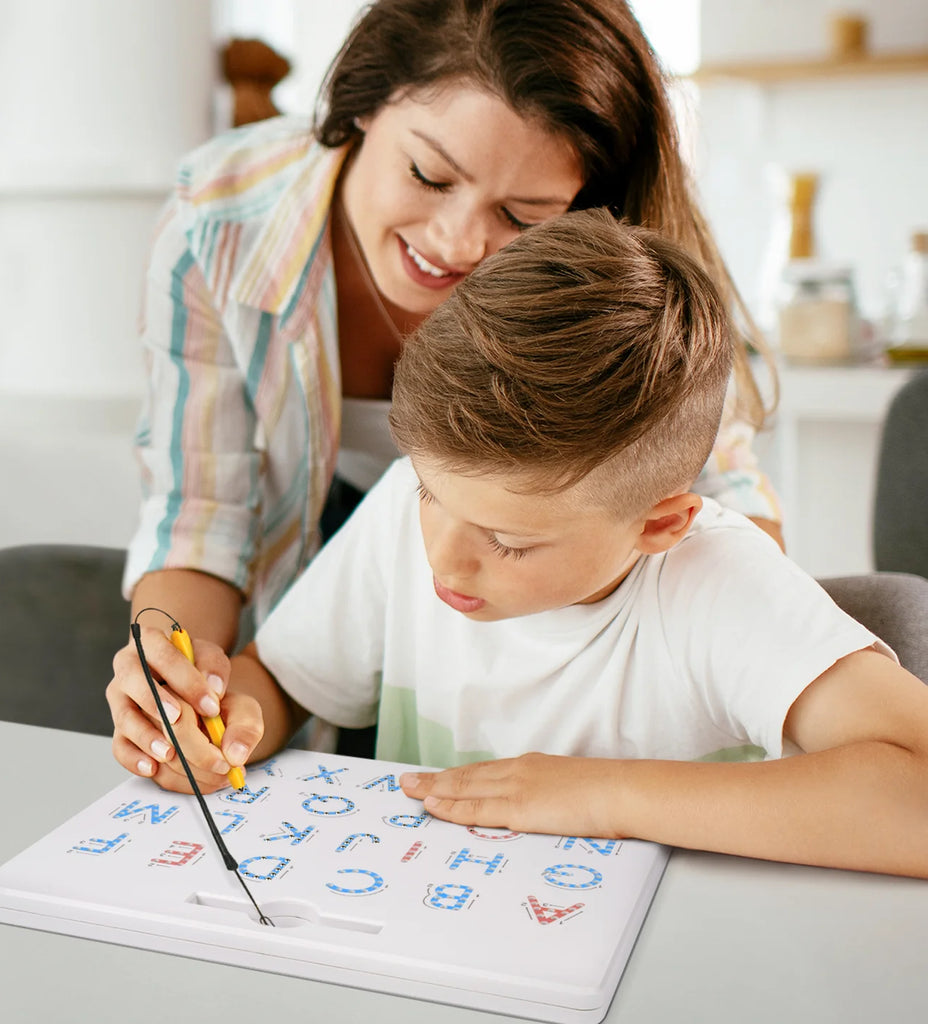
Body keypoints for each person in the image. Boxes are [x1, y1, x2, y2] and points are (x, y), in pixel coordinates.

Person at [126, 210, 928, 878]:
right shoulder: (401, 519)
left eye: (508, 542)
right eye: (431, 495)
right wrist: (223, 724)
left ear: (659, 524)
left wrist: (600, 796)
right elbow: (282, 681)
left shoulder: (717, 583)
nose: (443, 557)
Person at [108, 0, 783, 784]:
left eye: (523, 215)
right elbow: (200, 515)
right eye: (428, 174)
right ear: (361, 102)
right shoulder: (219, 222)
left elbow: (725, 496)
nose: (457, 243)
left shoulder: (629, 280)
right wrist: (182, 691)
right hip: (310, 643)